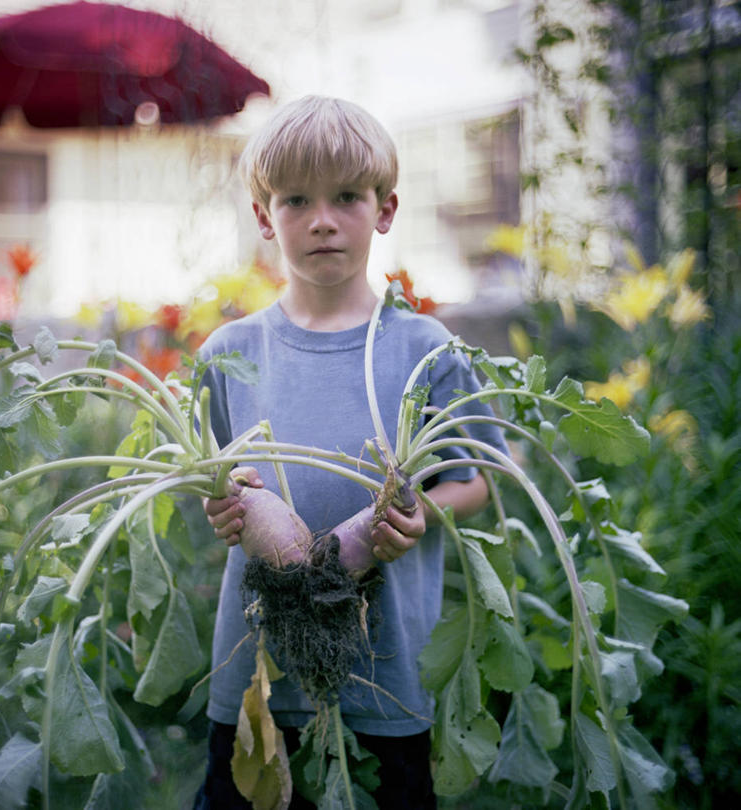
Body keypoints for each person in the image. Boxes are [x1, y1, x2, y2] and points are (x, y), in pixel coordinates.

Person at [192, 95, 508, 809]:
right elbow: (212, 479)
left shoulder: (427, 350)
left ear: (385, 209)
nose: (322, 220)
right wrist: (220, 504)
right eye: (296, 199)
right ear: (264, 216)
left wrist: (413, 514)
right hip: (256, 676)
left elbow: (474, 478)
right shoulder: (228, 353)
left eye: (345, 197)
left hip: (387, 671)